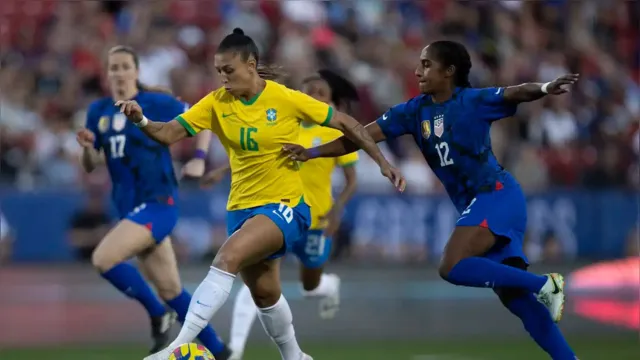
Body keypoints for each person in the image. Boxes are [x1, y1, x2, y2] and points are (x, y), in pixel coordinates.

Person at [115, 28, 403, 360]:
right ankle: (296, 356)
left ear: (251, 64)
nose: (222, 78)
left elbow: (346, 123)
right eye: (218, 71)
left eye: (229, 70)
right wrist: (141, 120)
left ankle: (175, 348)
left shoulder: (285, 98)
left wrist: (382, 162)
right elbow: (168, 133)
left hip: (286, 207)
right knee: (265, 295)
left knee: (226, 259)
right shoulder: (215, 103)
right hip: (240, 209)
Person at [283, 40, 580, 360]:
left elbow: (515, 92)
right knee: (517, 300)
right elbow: (359, 136)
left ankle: (545, 284)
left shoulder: (473, 100)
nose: (417, 70)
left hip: (497, 196)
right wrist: (311, 152)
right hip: (481, 203)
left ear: (449, 71)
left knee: (451, 265)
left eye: (426, 65)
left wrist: (547, 87)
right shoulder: (413, 111)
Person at [76, 45, 231, 359]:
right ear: (107, 74)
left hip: (158, 202)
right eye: (113, 67)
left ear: (136, 71)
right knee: (172, 290)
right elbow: (93, 163)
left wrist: (199, 159)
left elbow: (203, 119)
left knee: (103, 259)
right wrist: (88, 148)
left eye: (124, 66)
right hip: (128, 208)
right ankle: (222, 352)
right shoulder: (99, 112)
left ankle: (157, 315)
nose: (118, 73)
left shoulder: (155, 102)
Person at [197, 69, 360, 359]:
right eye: (308, 91)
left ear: (329, 100)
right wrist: (222, 171)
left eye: (319, 93)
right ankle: (235, 349)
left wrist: (337, 212)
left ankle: (328, 285)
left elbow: (351, 181)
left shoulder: (332, 131)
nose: (312, 96)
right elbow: (256, 156)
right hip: (278, 210)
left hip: (316, 221)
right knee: (256, 281)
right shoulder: (286, 121)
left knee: (310, 286)